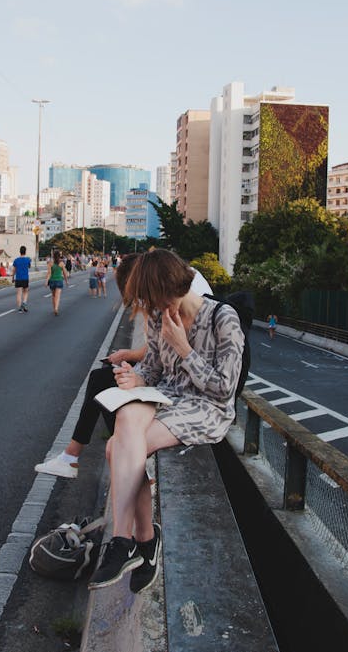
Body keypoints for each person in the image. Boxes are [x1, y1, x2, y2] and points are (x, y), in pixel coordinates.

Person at [87, 249, 244, 593]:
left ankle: (139, 541)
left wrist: (184, 349)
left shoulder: (223, 318)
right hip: (167, 397)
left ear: (174, 288)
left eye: (156, 299)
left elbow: (224, 389)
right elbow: (154, 370)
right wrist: (135, 378)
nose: (155, 309)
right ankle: (126, 542)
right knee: (126, 414)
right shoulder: (160, 318)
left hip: (206, 408)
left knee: (117, 448)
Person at [34, 257, 214, 479]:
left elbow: (167, 347)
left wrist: (128, 356)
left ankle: (90, 454)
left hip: (185, 380)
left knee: (103, 380)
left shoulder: (175, 293)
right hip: (179, 371)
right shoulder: (173, 281)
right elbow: (160, 346)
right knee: (106, 378)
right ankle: (78, 455)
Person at [45, 250, 69, 316]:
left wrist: (46, 281)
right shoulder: (61, 263)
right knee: (57, 296)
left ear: (53, 256)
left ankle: (54, 308)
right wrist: (66, 281)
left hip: (52, 281)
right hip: (59, 281)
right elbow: (65, 273)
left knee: (53, 296)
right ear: (59, 256)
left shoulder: (50, 263)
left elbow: (49, 273)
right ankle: (56, 308)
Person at [12, 245, 31, 312]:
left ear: (19, 252)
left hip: (18, 278)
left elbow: (14, 270)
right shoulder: (27, 260)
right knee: (25, 292)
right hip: (25, 278)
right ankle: (24, 303)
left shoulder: (16, 260)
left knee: (19, 293)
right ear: (25, 252)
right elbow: (29, 267)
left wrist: (12, 277)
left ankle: (19, 308)